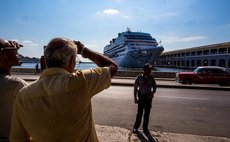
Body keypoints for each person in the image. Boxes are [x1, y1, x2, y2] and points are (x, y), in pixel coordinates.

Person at [10, 37, 118, 142]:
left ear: (44, 61)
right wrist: (84, 51)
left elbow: (18, 138)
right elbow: (112, 67)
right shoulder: (81, 81)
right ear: (72, 61)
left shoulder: (23, 95)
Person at [0, 39, 28, 142]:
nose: (18, 53)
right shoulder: (15, 84)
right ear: (3, 54)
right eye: (15, 51)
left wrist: (11, 50)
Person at [133, 63, 157, 135]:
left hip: (148, 98)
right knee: (139, 113)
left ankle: (145, 128)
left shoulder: (152, 78)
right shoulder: (139, 78)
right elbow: (135, 89)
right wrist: (135, 98)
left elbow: (155, 88)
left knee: (147, 114)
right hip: (141, 97)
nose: (150, 71)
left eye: (150, 69)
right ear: (145, 70)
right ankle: (136, 127)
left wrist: (152, 93)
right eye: (149, 69)